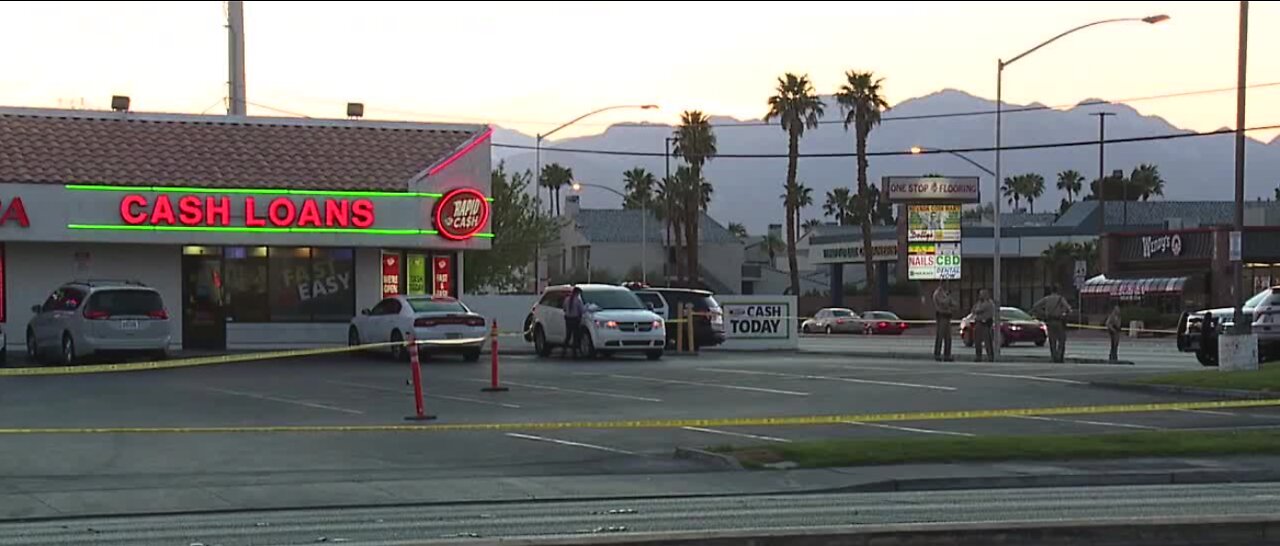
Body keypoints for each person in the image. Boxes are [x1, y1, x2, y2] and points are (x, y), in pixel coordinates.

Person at [1032, 285, 1073, 363]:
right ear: (1057, 291)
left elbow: (1035, 306)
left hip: (1049, 321)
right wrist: (1064, 313)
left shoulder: (1046, 299)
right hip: (1059, 321)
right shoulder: (1060, 299)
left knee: (1052, 341)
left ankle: (1054, 357)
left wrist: (1043, 313)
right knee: (1061, 340)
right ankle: (1060, 357)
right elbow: (1069, 309)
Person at [932, 281, 959, 361]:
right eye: (945, 284)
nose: (947, 285)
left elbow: (954, 304)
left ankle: (947, 355)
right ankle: (937, 354)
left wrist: (951, 302)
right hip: (941, 316)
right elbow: (943, 303)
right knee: (940, 336)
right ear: (942, 284)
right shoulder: (938, 293)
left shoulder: (945, 293)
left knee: (948, 337)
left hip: (947, 317)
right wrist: (949, 299)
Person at [971, 289, 996, 362]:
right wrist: (976, 309)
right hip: (978, 323)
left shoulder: (988, 303)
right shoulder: (979, 302)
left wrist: (976, 309)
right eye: (980, 294)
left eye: (982, 294)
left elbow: (978, 310)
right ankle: (978, 356)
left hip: (985, 324)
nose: (980, 296)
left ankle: (990, 357)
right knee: (977, 341)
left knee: (987, 341)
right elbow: (973, 310)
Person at [562, 286, 587, 358]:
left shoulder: (567, 299)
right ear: (577, 293)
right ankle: (574, 352)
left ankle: (564, 351)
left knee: (568, 335)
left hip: (568, 319)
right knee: (575, 336)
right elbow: (581, 310)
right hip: (575, 319)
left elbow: (564, 308)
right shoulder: (578, 301)